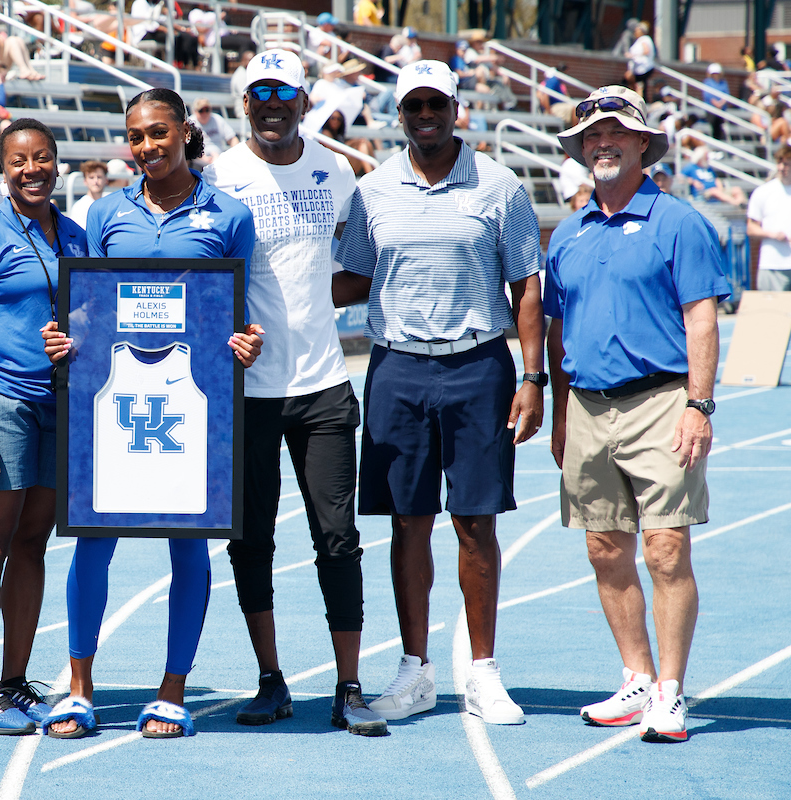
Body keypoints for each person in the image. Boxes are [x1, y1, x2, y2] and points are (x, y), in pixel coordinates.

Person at [40, 88, 261, 740]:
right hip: (118, 399)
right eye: (135, 137)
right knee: (93, 540)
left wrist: (248, 341)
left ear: (185, 131)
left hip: (193, 403)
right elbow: (88, 304)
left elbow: (241, 310)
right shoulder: (104, 211)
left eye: (158, 134)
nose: (146, 148)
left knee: (189, 546)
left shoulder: (230, 214)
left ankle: (172, 691)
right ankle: (79, 687)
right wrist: (66, 336)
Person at [332, 60, 545, 726]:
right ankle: (415, 671)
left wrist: (533, 376)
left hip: (478, 366)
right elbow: (351, 280)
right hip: (397, 369)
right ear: (400, 113)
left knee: (476, 522)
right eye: (412, 104)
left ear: (457, 108)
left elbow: (526, 286)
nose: (424, 113)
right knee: (408, 522)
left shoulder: (500, 186)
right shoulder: (372, 191)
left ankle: (481, 673)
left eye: (436, 102)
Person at [201, 49, 384, 736]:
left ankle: (349, 685)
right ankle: (271, 679)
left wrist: (314, 304)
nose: (271, 104)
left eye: (284, 93)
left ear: (305, 101)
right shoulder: (219, 178)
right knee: (249, 540)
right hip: (246, 390)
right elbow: (204, 281)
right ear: (242, 102)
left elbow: (351, 270)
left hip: (323, 384)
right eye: (258, 93)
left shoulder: (335, 170)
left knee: (337, 538)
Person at [546, 85, 730, 743]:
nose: (601, 144)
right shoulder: (567, 233)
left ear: (643, 143)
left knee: (665, 547)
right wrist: (560, 412)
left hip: (661, 402)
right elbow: (557, 329)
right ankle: (637, 678)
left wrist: (699, 405)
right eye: (591, 136)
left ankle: (673, 693)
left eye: (615, 133)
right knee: (603, 548)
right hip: (588, 409)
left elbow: (701, 319)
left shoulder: (678, 222)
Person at [0, 118, 87, 735]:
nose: (31, 169)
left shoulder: (79, 238)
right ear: (3, 169)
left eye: (43, 159)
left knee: (33, 545)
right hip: (3, 405)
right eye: (19, 161)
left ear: (57, 164)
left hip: (61, 407)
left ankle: (15, 679)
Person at [746, 144, 791, 291]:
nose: (781, 168)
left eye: (786, 163)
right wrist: (773, 235)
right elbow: (751, 228)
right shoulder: (764, 192)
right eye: (779, 162)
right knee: (773, 313)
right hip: (772, 264)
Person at [681, 146, 746, 206]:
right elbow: (680, 178)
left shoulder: (708, 168)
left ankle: (741, 205)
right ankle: (735, 203)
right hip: (703, 193)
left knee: (737, 190)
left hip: (717, 190)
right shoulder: (691, 167)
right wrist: (693, 181)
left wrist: (720, 187)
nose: (708, 158)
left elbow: (716, 179)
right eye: (706, 156)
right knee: (714, 191)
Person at [66, 158, 108, 229]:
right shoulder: (79, 207)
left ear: (106, 180)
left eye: (99, 177)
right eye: (91, 177)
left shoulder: (111, 202)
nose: (96, 181)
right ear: (85, 181)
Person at [702, 63, 731, 141]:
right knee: (714, 123)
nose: (716, 75)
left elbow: (726, 94)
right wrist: (716, 103)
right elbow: (707, 95)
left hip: (721, 108)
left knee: (720, 125)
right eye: (714, 73)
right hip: (711, 108)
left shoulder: (723, 82)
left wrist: (721, 103)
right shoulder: (708, 82)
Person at [627, 21, 656, 101]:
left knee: (640, 85)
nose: (635, 32)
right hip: (639, 68)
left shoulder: (644, 39)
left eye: (637, 30)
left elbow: (646, 50)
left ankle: (640, 100)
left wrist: (633, 55)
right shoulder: (641, 40)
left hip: (643, 68)